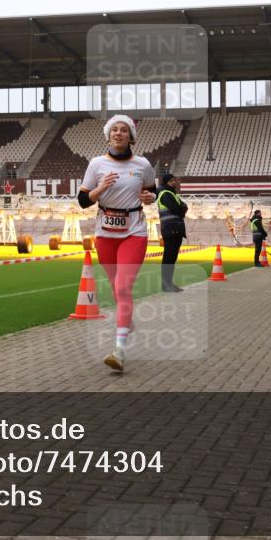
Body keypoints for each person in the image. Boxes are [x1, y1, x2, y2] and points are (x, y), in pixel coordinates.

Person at [78, 114, 157, 372]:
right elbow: (83, 201)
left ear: (131, 136)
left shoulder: (143, 164)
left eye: (124, 130)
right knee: (115, 287)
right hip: (105, 233)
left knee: (123, 287)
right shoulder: (96, 164)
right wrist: (100, 189)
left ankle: (119, 350)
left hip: (133, 231)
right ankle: (127, 319)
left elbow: (151, 191)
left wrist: (149, 197)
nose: (119, 133)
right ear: (108, 135)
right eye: (115, 130)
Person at [157, 172, 187, 292]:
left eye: (174, 180)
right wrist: (181, 210)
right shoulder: (165, 194)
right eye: (171, 181)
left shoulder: (172, 194)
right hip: (171, 229)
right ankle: (166, 285)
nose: (174, 182)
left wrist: (181, 209)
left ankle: (168, 284)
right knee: (169, 258)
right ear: (166, 182)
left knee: (171, 258)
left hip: (175, 229)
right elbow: (178, 209)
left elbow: (183, 207)